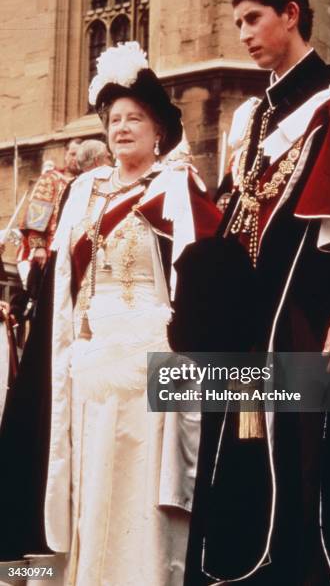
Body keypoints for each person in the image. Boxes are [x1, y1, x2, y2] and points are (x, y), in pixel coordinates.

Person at [179, 0, 330, 586]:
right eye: (238, 24)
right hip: (248, 328)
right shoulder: (250, 119)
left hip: (304, 323)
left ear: (291, 14)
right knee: (241, 460)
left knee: (300, 466)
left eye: (253, 19)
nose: (244, 34)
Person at [0, 41, 221, 585]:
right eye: (115, 120)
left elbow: (199, 279)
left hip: (152, 358)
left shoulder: (177, 187)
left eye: (135, 119)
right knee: (90, 480)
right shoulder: (82, 190)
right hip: (89, 361)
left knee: (141, 489)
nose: (122, 128)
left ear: (157, 130)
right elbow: (63, 285)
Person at [19, 138, 82, 271]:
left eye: (80, 155)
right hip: (50, 248)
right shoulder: (51, 178)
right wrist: (39, 246)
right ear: (65, 155)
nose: (76, 159)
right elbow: (36, 213)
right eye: (72, 154)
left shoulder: (87, 181)